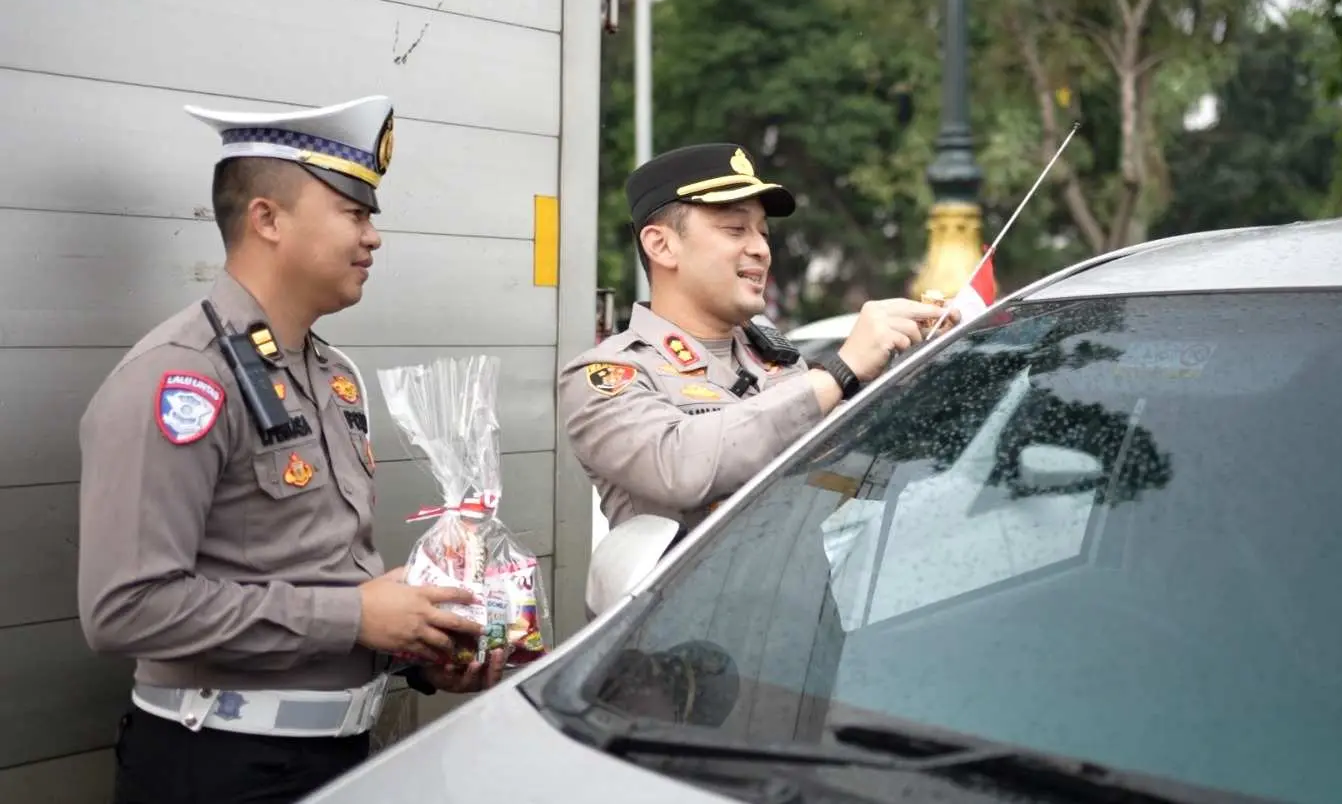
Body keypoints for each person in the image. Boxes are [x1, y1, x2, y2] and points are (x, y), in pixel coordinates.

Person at [77, 95, 503, 804]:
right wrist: (357, 617)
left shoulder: (333, 374)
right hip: (222, 766)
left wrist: (416, 643)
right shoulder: (181, 377)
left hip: (341, 758)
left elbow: (313, 572)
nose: (373, 237)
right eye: (353, 213)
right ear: (267, 219)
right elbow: (126, 608)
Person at [559, 142, 958, 544]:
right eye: (736, 230)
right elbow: (679, 468)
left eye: (763, 232)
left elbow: (866, 475)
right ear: (661, 245)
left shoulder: (780, 364)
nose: (761, 249)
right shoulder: (607, 376)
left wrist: (924, 380)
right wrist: (838, 373)